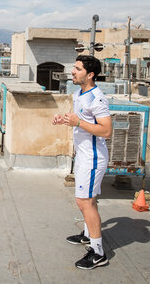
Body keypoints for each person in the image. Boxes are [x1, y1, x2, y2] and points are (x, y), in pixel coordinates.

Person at [52, 55, 112, 270]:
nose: (73, 72)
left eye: (77, 69)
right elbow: (79, 119)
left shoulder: (97, 99)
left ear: (90, 74)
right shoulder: (79, 94)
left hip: (93, 158)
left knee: (84, 202)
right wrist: (66, 119)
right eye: (74, 68)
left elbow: (106, 130)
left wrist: (78, 121)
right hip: (83, 156)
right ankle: (88, 235)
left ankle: (98, 253)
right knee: (89, 200)